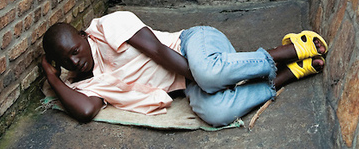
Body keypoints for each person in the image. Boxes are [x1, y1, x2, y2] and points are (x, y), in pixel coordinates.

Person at [41, 10, 327, 127]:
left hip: (194, 44)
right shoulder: (81, 83)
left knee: (209, 74)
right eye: (66, 61)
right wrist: (54, 79)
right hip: (191, 83)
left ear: (82, 35)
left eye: (75, 51)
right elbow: (87, 111)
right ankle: (282, 77)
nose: (75, 61)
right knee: (214, 113)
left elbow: (158, 51)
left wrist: (209, 80)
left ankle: (286, 50)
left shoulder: (107, 27)